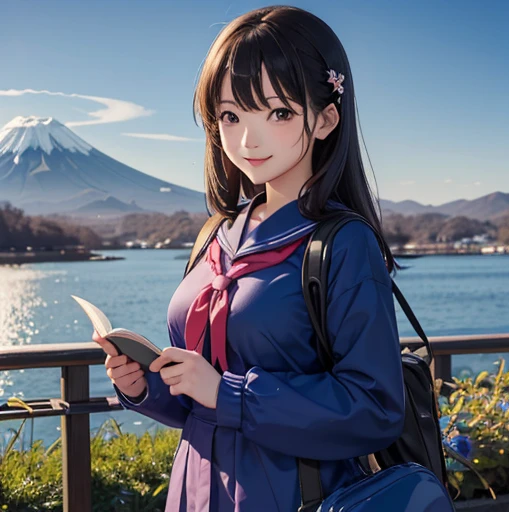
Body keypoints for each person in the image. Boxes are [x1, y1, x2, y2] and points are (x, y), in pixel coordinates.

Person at [93, 5, 406, 511]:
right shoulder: (216, 234)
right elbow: (200, 399)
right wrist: (147, 386)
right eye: (231, 115)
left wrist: (231, 394)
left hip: (289, 496)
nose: (246, 139)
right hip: (195, 491)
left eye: (278, 112)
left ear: (326, 117)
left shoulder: (342, 243)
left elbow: (375, 409)